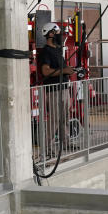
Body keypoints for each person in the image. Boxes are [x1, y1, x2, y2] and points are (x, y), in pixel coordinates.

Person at [37, 23, 75, 151]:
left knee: (65, 118)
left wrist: (70, 70)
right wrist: (65, 71)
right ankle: (48, 147)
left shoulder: (58, 50)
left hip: (64, 89)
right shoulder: (45, 52)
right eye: (57, 32)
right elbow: (45, 71)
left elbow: (62, 68)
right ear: (50, 34)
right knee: (54, 120)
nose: (60, 35)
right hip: (54, 91)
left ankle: (66, 143)